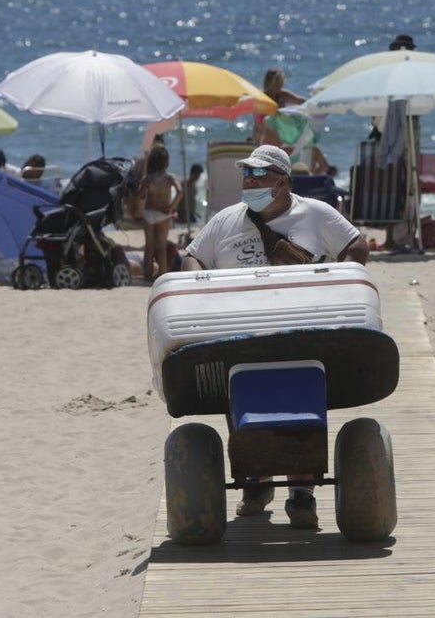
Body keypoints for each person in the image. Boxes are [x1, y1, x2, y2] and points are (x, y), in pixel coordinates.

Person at [182, 144, 369, 528]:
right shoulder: (225, 220)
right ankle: (257, 481)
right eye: (246, 173)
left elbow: (357, 246)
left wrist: (337, 285)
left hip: (300, 329)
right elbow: (193, 255)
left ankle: (302, 492)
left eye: (258, 174)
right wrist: (197, 284)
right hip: (240, 330)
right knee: (241, 398)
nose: (249, 180)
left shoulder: (315, 213)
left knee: (301, 399)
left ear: (283, 182)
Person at [138, 143, 182, 282]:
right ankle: (163, 277)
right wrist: (172, 207)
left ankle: (147, 276)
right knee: (161, 247)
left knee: (149, 247)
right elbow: (180, 191)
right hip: (163, 214)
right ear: (166, 161)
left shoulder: (148, 178)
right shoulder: (170, 178)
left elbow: (141, 195)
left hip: (149, 213)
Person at [255, 69, 305, 145]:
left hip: (278, 137)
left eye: (281, 83)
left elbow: (301, 101)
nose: (280, 87)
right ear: (270, 84)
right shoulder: (261, 98)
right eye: (277, 84)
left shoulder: (282, 95)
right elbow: (259, 123)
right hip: (261, 137)